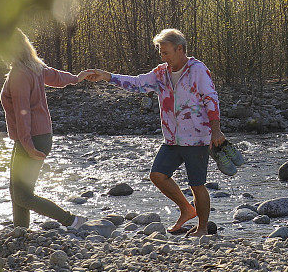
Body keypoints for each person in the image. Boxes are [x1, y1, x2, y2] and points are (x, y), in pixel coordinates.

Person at [87, 28, 225, 237]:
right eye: (161, 53)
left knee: (197, 185)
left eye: (166, 52)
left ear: (180, 49)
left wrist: (216, 131)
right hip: (171, 139)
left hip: (196, 138)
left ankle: (203, 228)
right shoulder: (161, 73)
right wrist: (107, 76)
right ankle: (187, 209)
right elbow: (137, 83)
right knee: (157, 175)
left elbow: (211, 100)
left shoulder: (198, 70)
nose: (163, 57)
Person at [0, 29, 93, 229]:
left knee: (23, 195)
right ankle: (21, 231)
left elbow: (22, 113)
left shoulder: (19, 74)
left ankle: (72, 220)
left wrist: (28, 145)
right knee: (17, 191)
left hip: (31, 138)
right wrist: (77, 78)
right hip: (37, 136)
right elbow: (57, 78)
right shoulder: (34, 67)